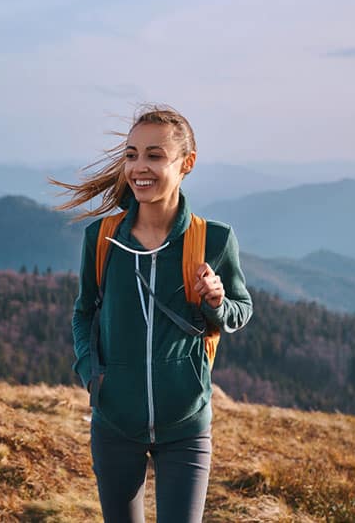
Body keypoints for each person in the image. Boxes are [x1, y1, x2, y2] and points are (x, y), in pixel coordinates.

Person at [53, 105, 253, 522]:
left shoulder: (214, 239)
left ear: (187, 163)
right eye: (132, 155)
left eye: (154, 155)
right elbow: (83, 313)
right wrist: (91, 373)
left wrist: (217, 301)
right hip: (114, 424)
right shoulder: (102, 238)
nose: (139, 167)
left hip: (186, 427)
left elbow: (240, 311)